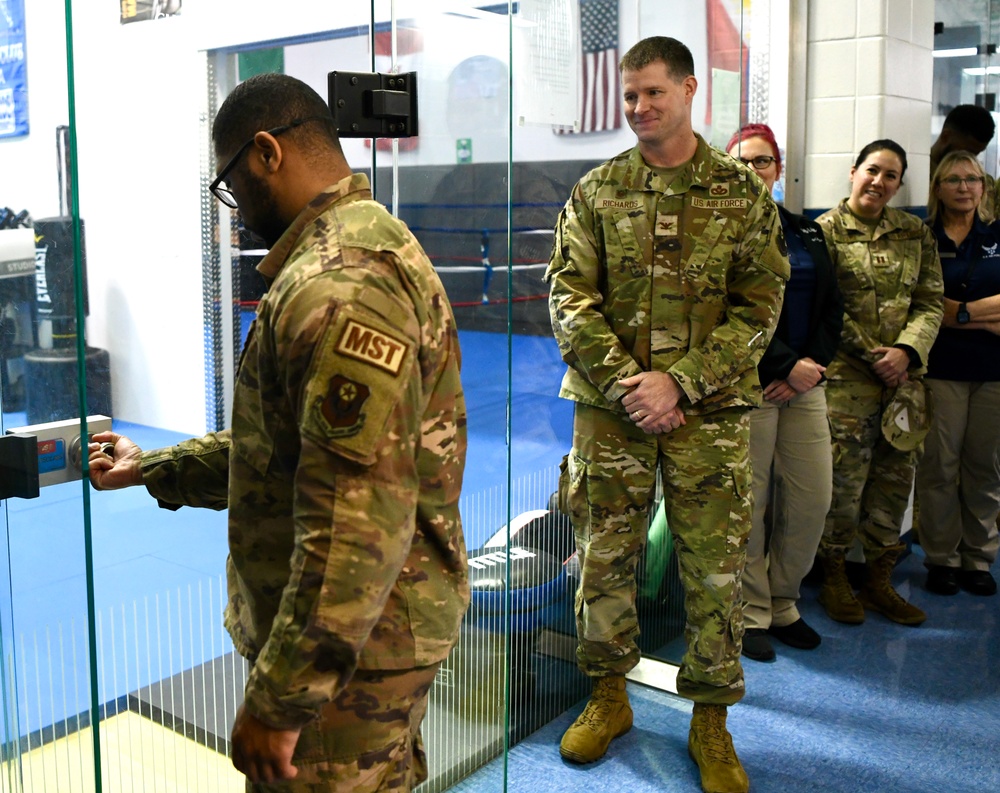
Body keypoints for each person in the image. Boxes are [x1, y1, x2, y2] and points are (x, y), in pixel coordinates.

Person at [88, 73, 469, 793]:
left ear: (267, 152)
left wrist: (283, 698)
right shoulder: (342, 252)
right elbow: (287, 454)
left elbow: (353, 523)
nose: (234, 210)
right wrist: (153, 468)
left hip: (348, 659)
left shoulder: (340, 280)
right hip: (365, 639)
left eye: (230, 184)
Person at [546, 36, 788, 793]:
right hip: (613, 412)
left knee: (715, 569)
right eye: (629, 96)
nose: (639, 108)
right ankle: (608, 696)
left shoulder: (738, 191)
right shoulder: (597, 190)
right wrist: (631, 383)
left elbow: (761, 304)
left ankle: (711, 720)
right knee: (605, 555)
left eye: (653, 92)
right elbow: (567, 296)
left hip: (708, 412)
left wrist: (678, 382)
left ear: (689, 90)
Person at [725, 124, 843, 662]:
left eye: (764, 161)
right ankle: (750, 612)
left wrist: (810, 366)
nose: (755, 170)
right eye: (743, 162)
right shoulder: (720, 235)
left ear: (778, 168)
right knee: (752, 503)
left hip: (806, 383)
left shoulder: (809, 234)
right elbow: (724, 312)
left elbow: (831, 306)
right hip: (750, 384)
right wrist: (781, 364)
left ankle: (783, 601)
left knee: (811, 497)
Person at [815, 139, 944, 627]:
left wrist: (906, 353)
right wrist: (876, 356)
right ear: (853, 172)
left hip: (903, 385)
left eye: (891, 176)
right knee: (843, 488)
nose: (879, 182)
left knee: (893, 485)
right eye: (873, 170)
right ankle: (834, 580)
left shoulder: (915, 234)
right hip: (848, 384)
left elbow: (931, 302)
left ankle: (878, 582)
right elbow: (828, 309)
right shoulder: (823, 233)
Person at [915, 151, 1000, 597]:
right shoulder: (923, 238)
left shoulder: (997, 236)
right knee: (939, 467)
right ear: (938, 188)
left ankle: (978, 558)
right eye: (953, 179)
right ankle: (942, 559)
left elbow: (945, 308)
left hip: (993, 371)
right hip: (941, 369)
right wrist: (978, 313)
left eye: (972, 179)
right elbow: (926, 301)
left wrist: (957, 313)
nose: (963, 187)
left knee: (985, 467)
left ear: (983, 187)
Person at [929, 104, 998, 218]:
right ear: (946, 137)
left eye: (977, 153)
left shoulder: (985, 183)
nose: (971, 158)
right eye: (967, 151)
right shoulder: (920, 176)